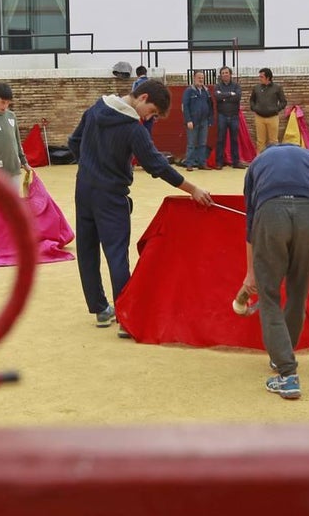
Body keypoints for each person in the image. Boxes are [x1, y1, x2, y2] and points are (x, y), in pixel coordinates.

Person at [68, 79, 212, 327]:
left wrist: (91, 168)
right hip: (111, 196)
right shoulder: (133, 128)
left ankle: (100, 309)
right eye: (152, 112)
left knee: (87, 250)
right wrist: (192, 189)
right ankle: (126, 316)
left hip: (84, 189)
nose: (149, 117)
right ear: (143, 98)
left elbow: (74, 142)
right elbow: (157, 165)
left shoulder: (95, 109)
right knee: (116, 254)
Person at [241, 144, 309, 400]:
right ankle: (282, 358)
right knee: (298, 291)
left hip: (270, 214)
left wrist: (250, 273)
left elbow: (251, 224)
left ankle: (287, 373)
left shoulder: (256, 164)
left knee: (269, 295)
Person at [250, 68, 287, 153]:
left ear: (268, 77)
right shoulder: (256, 88)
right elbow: (252, 100)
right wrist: (254, 108)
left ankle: (274, 159)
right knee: (260, 141)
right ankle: (260, 159)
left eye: (261, 77)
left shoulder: (277, 88)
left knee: (273, 141)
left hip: (273, 118)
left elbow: (283, 102)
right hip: (259, 117)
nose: (260, 78)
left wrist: (276, 109)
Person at [213, 66, 244, 169]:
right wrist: (230, 94)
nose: (225, 75)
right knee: (220, 139)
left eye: (226, 73)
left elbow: (237, 97)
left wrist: (224, 97)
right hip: (222, 115)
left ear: (230, 74)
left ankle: (236, 162)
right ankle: (219, 163)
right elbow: (217, 97)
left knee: (234, 140)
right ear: (220, 76)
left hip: (234, 116)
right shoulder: (217, 86)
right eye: (223, 73)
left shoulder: (236, 85)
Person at [181, 71, 213, 170]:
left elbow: (210, 106)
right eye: (199, 77)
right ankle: (189, 164)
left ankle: (202, 163)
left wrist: (210, 119)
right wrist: (188, 120)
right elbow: (185, 106)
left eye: (202, 78)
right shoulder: (189, 91)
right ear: (194, 78)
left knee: (202, 143)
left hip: (204, 121)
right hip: (193, 121)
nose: (201, 79)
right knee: (191, 144)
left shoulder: (206, 91)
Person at [132, 65, 156, 136]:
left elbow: (133, 98)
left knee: (139, 133)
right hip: (150, 111)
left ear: (137, 74)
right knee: (148, 132)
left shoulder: (136, 83)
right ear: (146, 73)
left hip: (139, 111)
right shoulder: (152, 83)